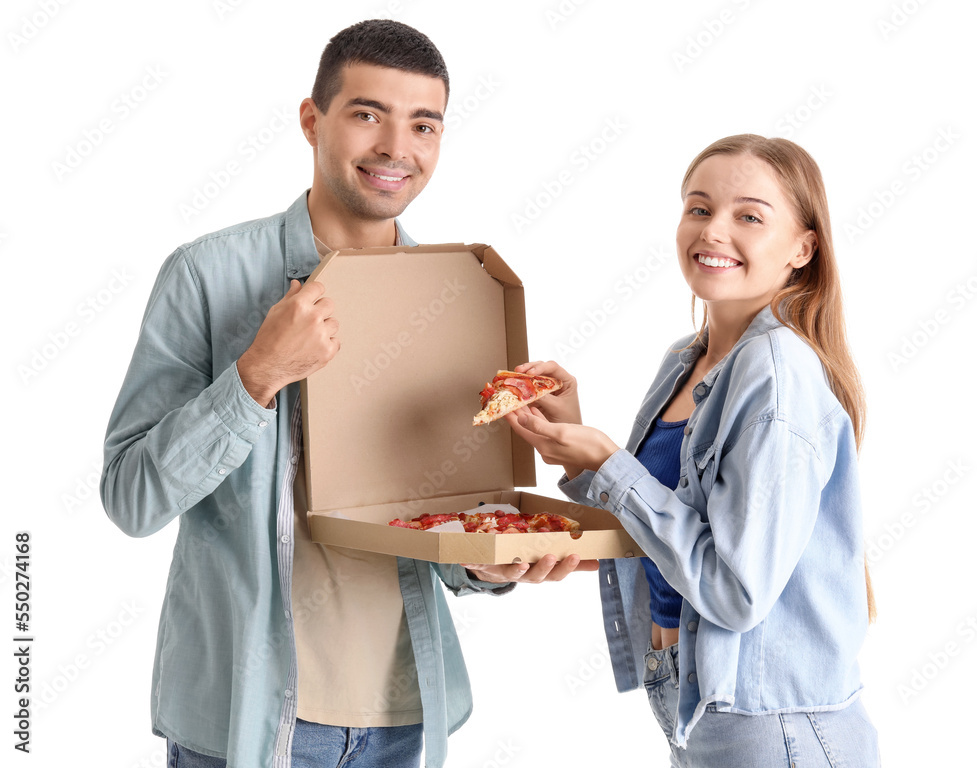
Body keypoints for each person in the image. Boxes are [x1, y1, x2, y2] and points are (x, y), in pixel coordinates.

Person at [101, 20, 591, 768]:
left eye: (423, 124)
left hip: (407, 720)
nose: (398, 148)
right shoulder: (204, 277)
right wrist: (255, 375)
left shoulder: (457, 291)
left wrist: (488, 564)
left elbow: (431, 513)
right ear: (312, 120)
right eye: (368, 114)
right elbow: (131, 498)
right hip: (245, 721)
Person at [506, 135, 881, 766]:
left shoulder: (777, 372)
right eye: (699, 208)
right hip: (694, 701)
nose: (713, 231)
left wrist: (605, 461)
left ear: (802, 249)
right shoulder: (687, 359)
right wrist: (574, 456)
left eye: (750, 216)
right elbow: (672, 535)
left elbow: (734, 590)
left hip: (773, 725)